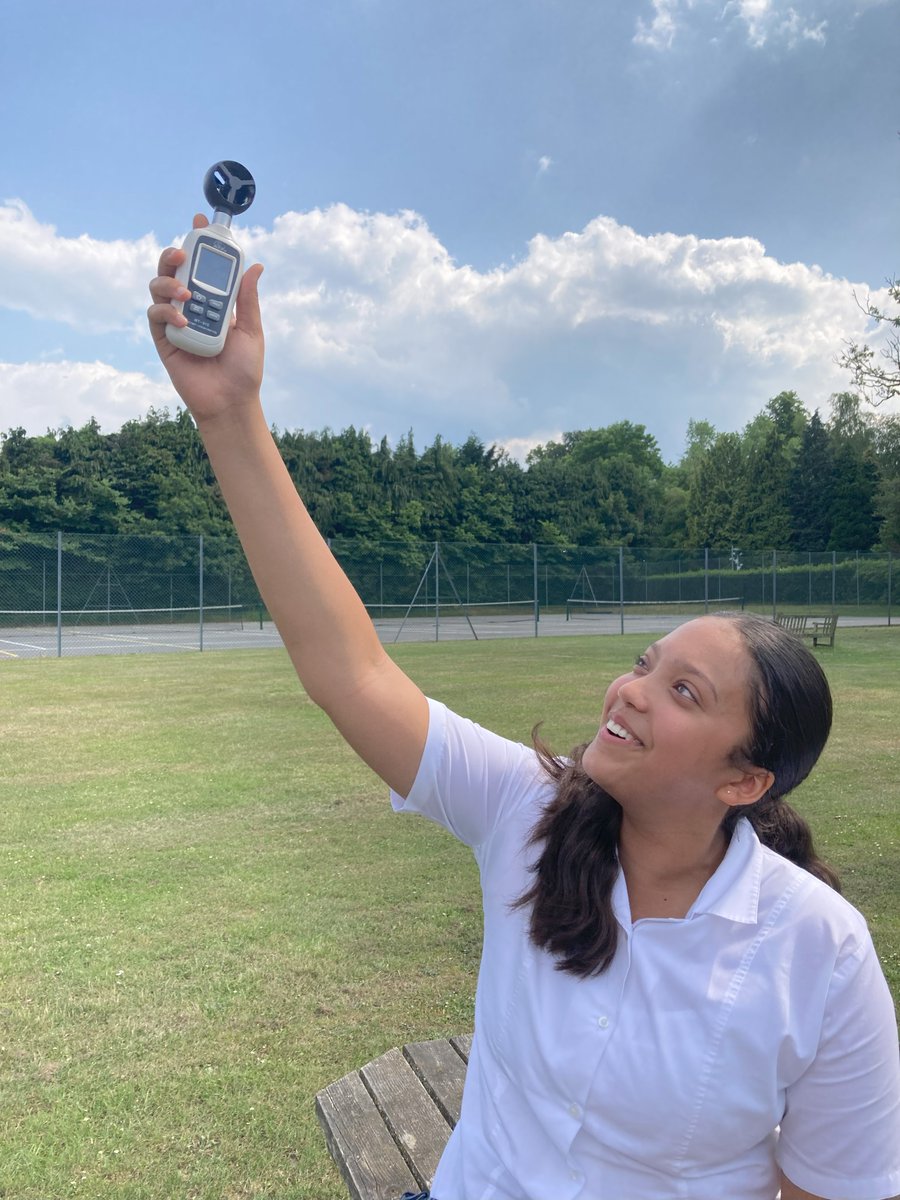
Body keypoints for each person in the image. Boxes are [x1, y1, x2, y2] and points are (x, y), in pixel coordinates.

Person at [148, 222, 900, 1200]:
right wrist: (229, 414)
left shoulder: (822, 956)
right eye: (645, 663)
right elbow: (350, 671)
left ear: (746, 778)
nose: (629, 690)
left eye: (683, 692)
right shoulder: (527, 810)